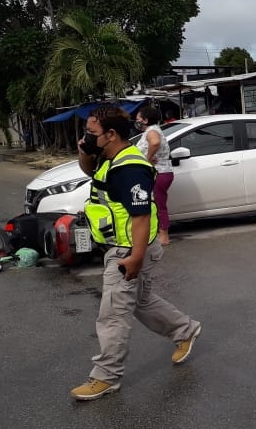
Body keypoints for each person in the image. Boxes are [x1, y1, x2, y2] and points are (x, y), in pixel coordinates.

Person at [70, 103, 201, 401]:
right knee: (140, 301)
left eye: (92, 133)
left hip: (130, 248)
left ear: (111, 134)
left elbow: (141, 217)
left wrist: (135, 258)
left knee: (113, 314)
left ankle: (105, 377)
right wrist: (84, 149)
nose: (88, 137)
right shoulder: (109, 156)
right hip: (125, 244)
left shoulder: (130, 168)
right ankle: (185, 331)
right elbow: (89, 169)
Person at [135, 104, 174, 246]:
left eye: (138, 119)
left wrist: (147, 159)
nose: (136, 121)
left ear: (145, 120)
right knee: (155, 204)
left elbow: (155, 143)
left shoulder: (152, 131)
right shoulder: (154, 130)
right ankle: (157, 233)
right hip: (159, 172)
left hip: (159, 173)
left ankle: (164, 236)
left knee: (158, 204)